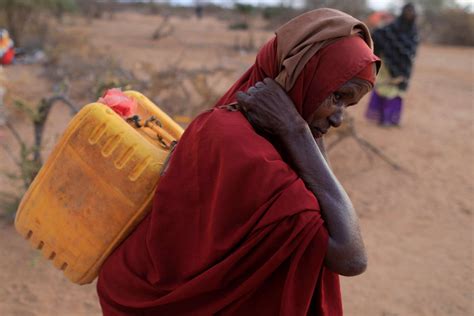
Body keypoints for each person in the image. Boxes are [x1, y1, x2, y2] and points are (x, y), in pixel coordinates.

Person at [97, 8, 379, 315]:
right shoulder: (244, 149)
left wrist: (301, 131)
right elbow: (350, 256)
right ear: (302, 75)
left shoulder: (243, 130)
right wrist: (298, 132)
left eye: (348, 105)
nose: (339, 119)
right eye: (337, 97)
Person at [366, 3, 419, 126]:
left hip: (405, 67)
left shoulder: (414, 31)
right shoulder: (392, 28)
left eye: (411, 13)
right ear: (402, 13)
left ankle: (393, 119)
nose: (409, 15)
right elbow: (379, 34)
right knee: (386, 90)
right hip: (389, 64)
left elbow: (412, 50)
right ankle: (383, 118)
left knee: (398, 92)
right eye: (407, 12)